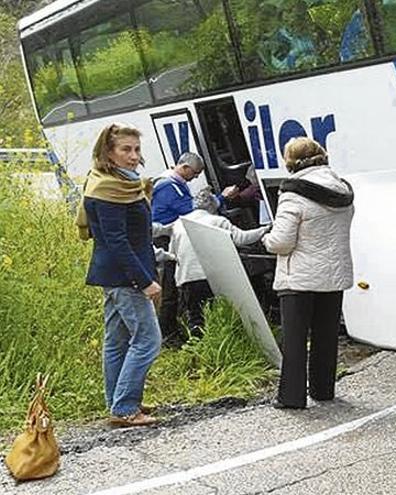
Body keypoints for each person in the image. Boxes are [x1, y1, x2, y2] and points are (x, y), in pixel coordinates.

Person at [75, 123, 161, 427]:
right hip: (125, 277)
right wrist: (145, 281)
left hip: (115, 274)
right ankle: (125, 407)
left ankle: (119, 401)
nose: (134, 156)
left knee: (117, 341)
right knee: (149, 341)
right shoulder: (108, 190)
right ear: (108, 152)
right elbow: (117, 242)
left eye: (136, 149)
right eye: (125, 149)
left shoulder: (124, 183)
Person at [262, 137, 354, 409]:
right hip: (333, 275)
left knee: (295, 340)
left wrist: (266, 238)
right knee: (326, 336)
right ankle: (323, 390)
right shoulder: (342, 189)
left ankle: (291, 398)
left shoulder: (293, 194)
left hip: (299, 279)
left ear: (291, 162)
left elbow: (282, 242)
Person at [152, 152, 238, 345]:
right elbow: (190, 210)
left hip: (169, 237)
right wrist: (220, 198)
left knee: (174, 287)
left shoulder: (173, 184)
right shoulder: (168, 186)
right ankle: (168, 334)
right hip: (166, 240)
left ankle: (173, 330)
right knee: (170, 289)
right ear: (185, 168)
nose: (196, 177)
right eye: (196, 172)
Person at [169, 188, 270, 335]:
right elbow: (242, 239)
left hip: (188, 277)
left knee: (197, 317)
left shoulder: (179, 223)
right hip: (213, 275)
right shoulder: (217, 221)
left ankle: (199, 347)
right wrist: (265, 229)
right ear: (213, 206)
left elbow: (172, 253)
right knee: (223, 313)